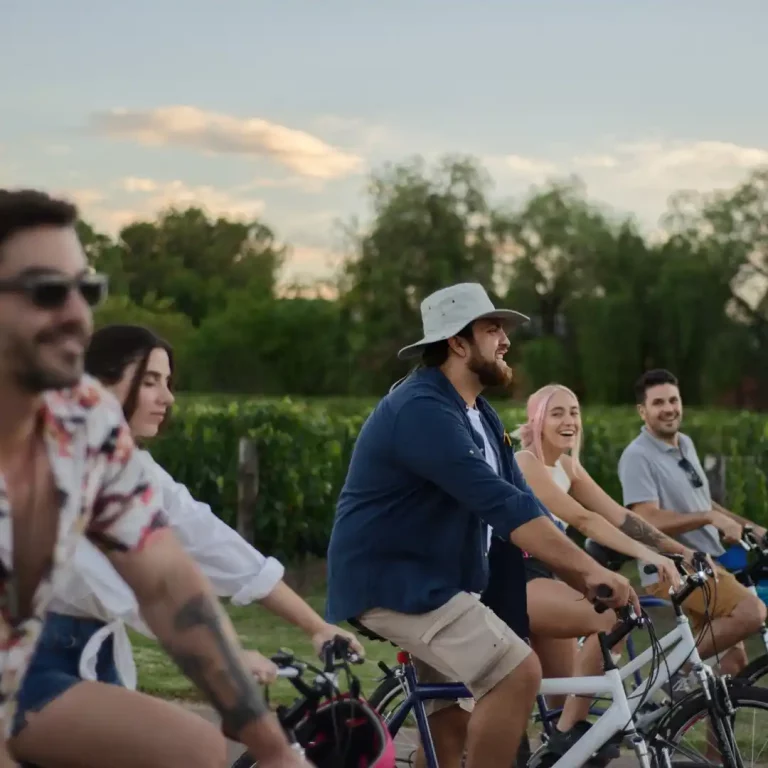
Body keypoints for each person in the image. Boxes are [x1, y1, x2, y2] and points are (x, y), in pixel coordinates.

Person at [0, 188, 304, 768]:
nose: (75, 314)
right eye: (46, 291)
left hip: (45, 669)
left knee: (205, 752)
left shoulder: (84, 434)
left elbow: (167, 583)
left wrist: (276, 752)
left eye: (85, 290)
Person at [10, 323, 362, 768]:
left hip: (91, 662)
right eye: (150, 381)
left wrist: (316, 626)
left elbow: (213, 541)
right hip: (26, 670)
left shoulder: (135, 469)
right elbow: (149, 590)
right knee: (196, 750)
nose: (167, 397)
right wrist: (225, 657)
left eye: (168, 383)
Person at [325, 282, 637, 768]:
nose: (505, 340)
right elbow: (500, 506)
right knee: (516, 673)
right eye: (493, 329)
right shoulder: (422, 410)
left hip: (436, 583)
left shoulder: (482, 416)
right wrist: (589, 569)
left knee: (452, 720)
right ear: (457, 342)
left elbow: (521, 500)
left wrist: (584, 579)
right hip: (393, 581)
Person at [511, 383, 691, 754]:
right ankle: (567, 736)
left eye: (574, 411)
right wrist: (648, 556)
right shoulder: (525, 462)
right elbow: (583, 519)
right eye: (556, 412)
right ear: (537, 420)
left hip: (548, 578)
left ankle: (562, 739)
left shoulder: (565, 465)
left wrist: (678, 551)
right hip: (512, 578)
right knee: (614, 613)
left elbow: (620, 516)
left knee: (562, 702)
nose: (569, 420)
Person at [618, 368, 767, 681]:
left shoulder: (684, 443)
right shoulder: (637, 456)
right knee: (752, 612)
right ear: (642, 411)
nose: (669, 408)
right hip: (671, 568)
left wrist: (750, 526)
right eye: (658, 403)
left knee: (732, 667)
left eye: (673, 400)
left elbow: (704, 504)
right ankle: (665, 678)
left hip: (706, 563)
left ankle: (677, 708)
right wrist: (710, 519)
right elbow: (645, 518)